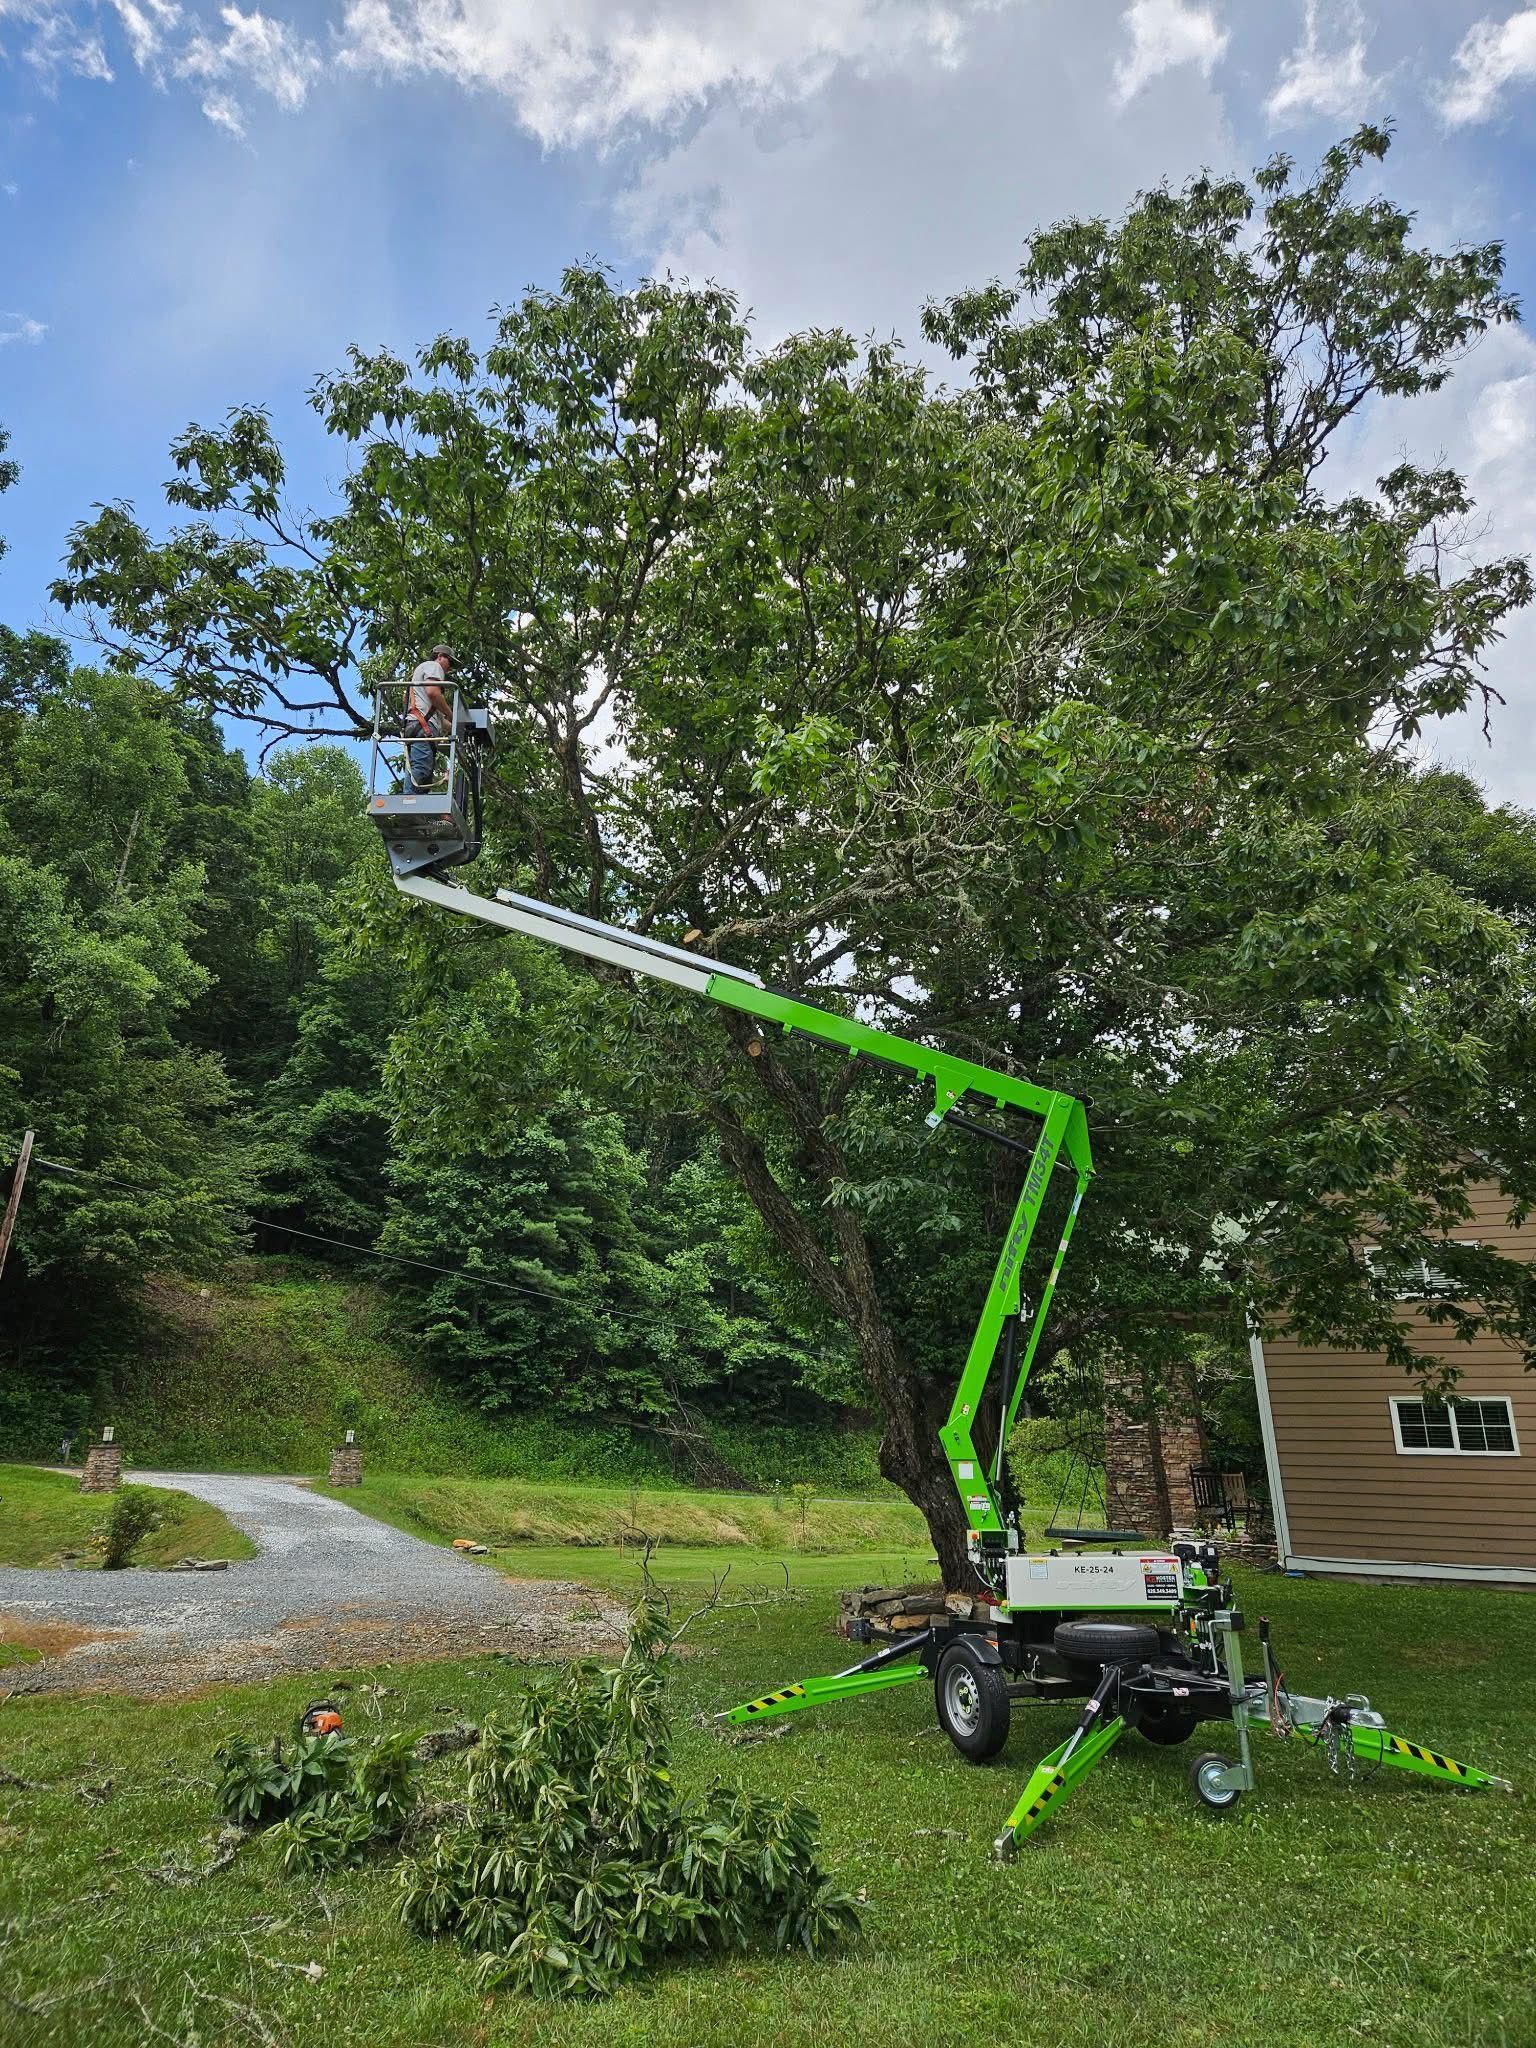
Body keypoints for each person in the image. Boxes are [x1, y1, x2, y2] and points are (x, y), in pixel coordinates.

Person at [403, 643, 455, 792]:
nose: (449, 668)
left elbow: (439, 719)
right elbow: (433, 692)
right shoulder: (434, 666)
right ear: (440, 656)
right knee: (420, 771)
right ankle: (408, 805)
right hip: (423, 728)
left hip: (420, 726)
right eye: (449, 662)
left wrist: (456, 726)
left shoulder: (422, 676)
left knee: (423, 775)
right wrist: (452, 714)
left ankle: (413, 807)